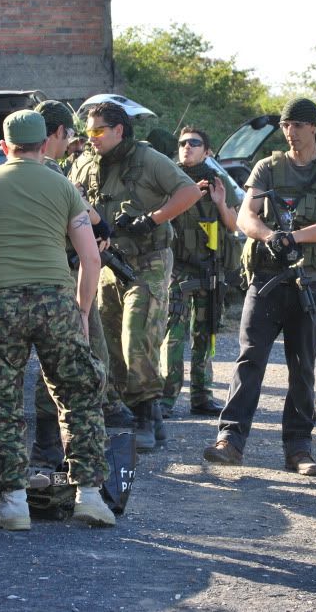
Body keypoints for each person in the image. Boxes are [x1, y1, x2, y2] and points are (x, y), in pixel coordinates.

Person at [0, 109, 115, 529]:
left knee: (0, 402)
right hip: (56, 300)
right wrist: (82, 308)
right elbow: (91, 257)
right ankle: (90, 496)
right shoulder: (63, 187)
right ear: (43, 146)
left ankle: (14, 503)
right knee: (78, 396)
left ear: (4, 147)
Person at [203, 97, 316, 477]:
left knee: (302, 367)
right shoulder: (268, 166)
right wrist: (270, 237)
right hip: (266, 280)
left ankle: (299, 448)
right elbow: (246, 216)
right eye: (286, 125)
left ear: (313, 126)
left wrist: (294, 237)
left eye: (298, 125)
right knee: (250, 360)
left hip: (308, 282)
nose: (291, 132)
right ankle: (230, 441)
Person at [68, 102, 202, 451]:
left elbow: (189, 192)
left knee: (136, 336)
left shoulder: (148, 159)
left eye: (98, 130)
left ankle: (145, 413)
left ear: (119, 130)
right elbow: (69, 199)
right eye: (88, 131)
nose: (91, 137)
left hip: (148, 261)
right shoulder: (85, 163)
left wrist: (152, 219)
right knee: (109, 340)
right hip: (108, 264)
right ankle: (144, 415)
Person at [26, 100, 132, 474]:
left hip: (16, 287)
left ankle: (57, 441)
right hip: (58, 284)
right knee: (61, 366)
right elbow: (88, 222)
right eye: (68, 134)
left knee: (65, 362)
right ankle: (53, 446)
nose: (71, 142)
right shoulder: (52, 174)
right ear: (55, 134)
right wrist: (99, 229)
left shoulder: (6, 176)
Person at [160, 126, 240, 417]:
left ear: (207, 151)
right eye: (182, 143)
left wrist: (219, 202)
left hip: (209, 269)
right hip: (178, 270)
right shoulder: (169, 178)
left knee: (205, 333)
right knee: (173, 335)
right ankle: (166, 398)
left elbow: (234, 224)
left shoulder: (219, 181)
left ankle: (201, 395)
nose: (187, 147)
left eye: (194, 143)